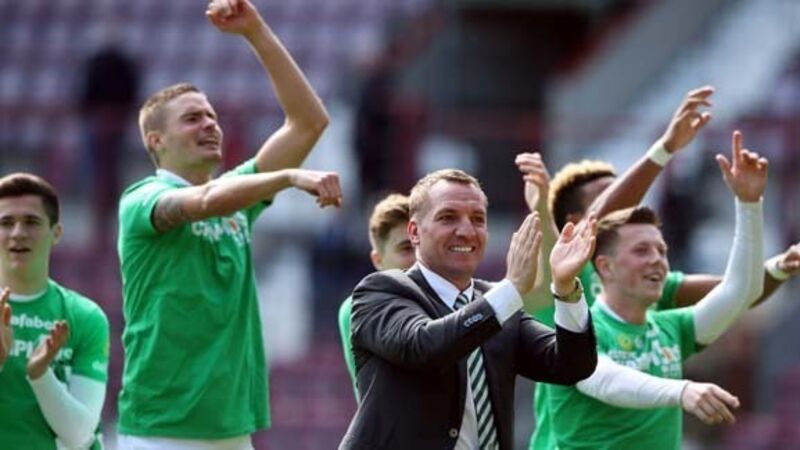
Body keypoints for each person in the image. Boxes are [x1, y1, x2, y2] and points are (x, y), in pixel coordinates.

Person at [116, 1, 340, 448]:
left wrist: (255, 31)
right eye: (192, 118)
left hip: (232, 428)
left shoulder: (238, 198)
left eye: (213, 116)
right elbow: (204, 201)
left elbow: (309, 123)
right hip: (159, 429)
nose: (210, 125)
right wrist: (288, 177)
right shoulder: (141, 200)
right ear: (156, 140)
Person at [523, 89, 800, 450]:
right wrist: (665, 149)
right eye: (642, 250)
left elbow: (738, 291)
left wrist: (751, 207)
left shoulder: (665, 321)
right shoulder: (568, 309)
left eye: (661, 250)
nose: (656, 258)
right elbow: (600, 377)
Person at [339, 169, 599, 450]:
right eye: (448, 217)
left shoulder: (498, 303)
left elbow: (572, 366)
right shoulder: (379, 292)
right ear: (414, 232)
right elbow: (424, 347)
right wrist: (510, 289)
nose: (466, 231)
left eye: (477, 219)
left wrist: (565, 288)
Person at [0, 173, 110, 449]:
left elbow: (80, 436)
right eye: (6, 223)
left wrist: (41, 375)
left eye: (31, 222)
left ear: (56, 233)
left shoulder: (84, 317)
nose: (18, 233)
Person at [337, 193, 414, 398]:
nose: (418, 258)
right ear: (378, 260)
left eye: (421, 246)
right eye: (406, 249)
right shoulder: (357, 309)